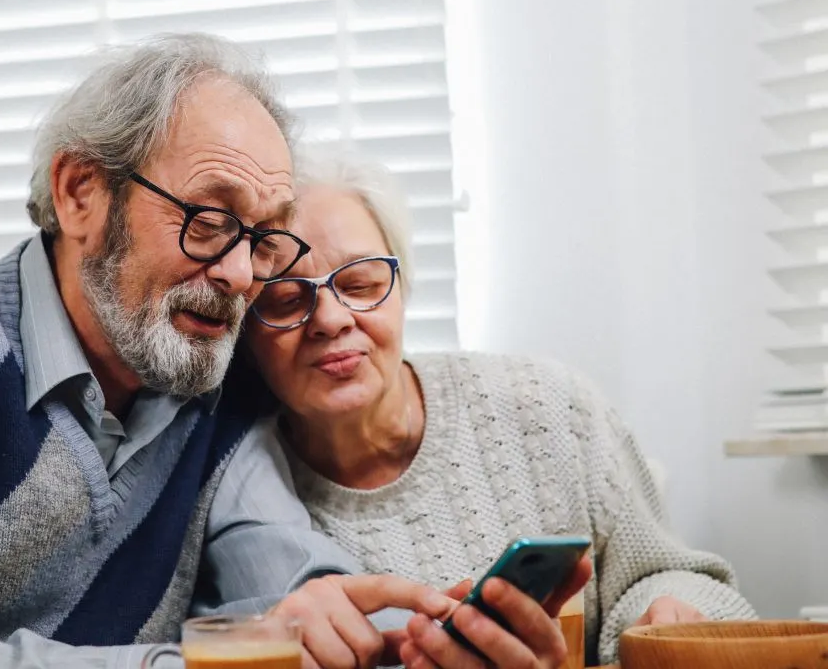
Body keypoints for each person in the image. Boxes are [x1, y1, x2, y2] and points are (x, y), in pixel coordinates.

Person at [0, 35, 464, 669]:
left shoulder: (218, 386)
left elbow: (290, 580)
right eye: (209, 221)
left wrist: (416, 641)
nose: (241, 274)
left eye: (265, 237)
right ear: (80, 193)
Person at [242, 148, 757, 668]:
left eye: (361, 285)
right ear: (245, 329)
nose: (331, 320)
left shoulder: (549, 403)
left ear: (402, 289)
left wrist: (666, 617)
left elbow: (672, 573)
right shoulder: (239, 492)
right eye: (286, 300)